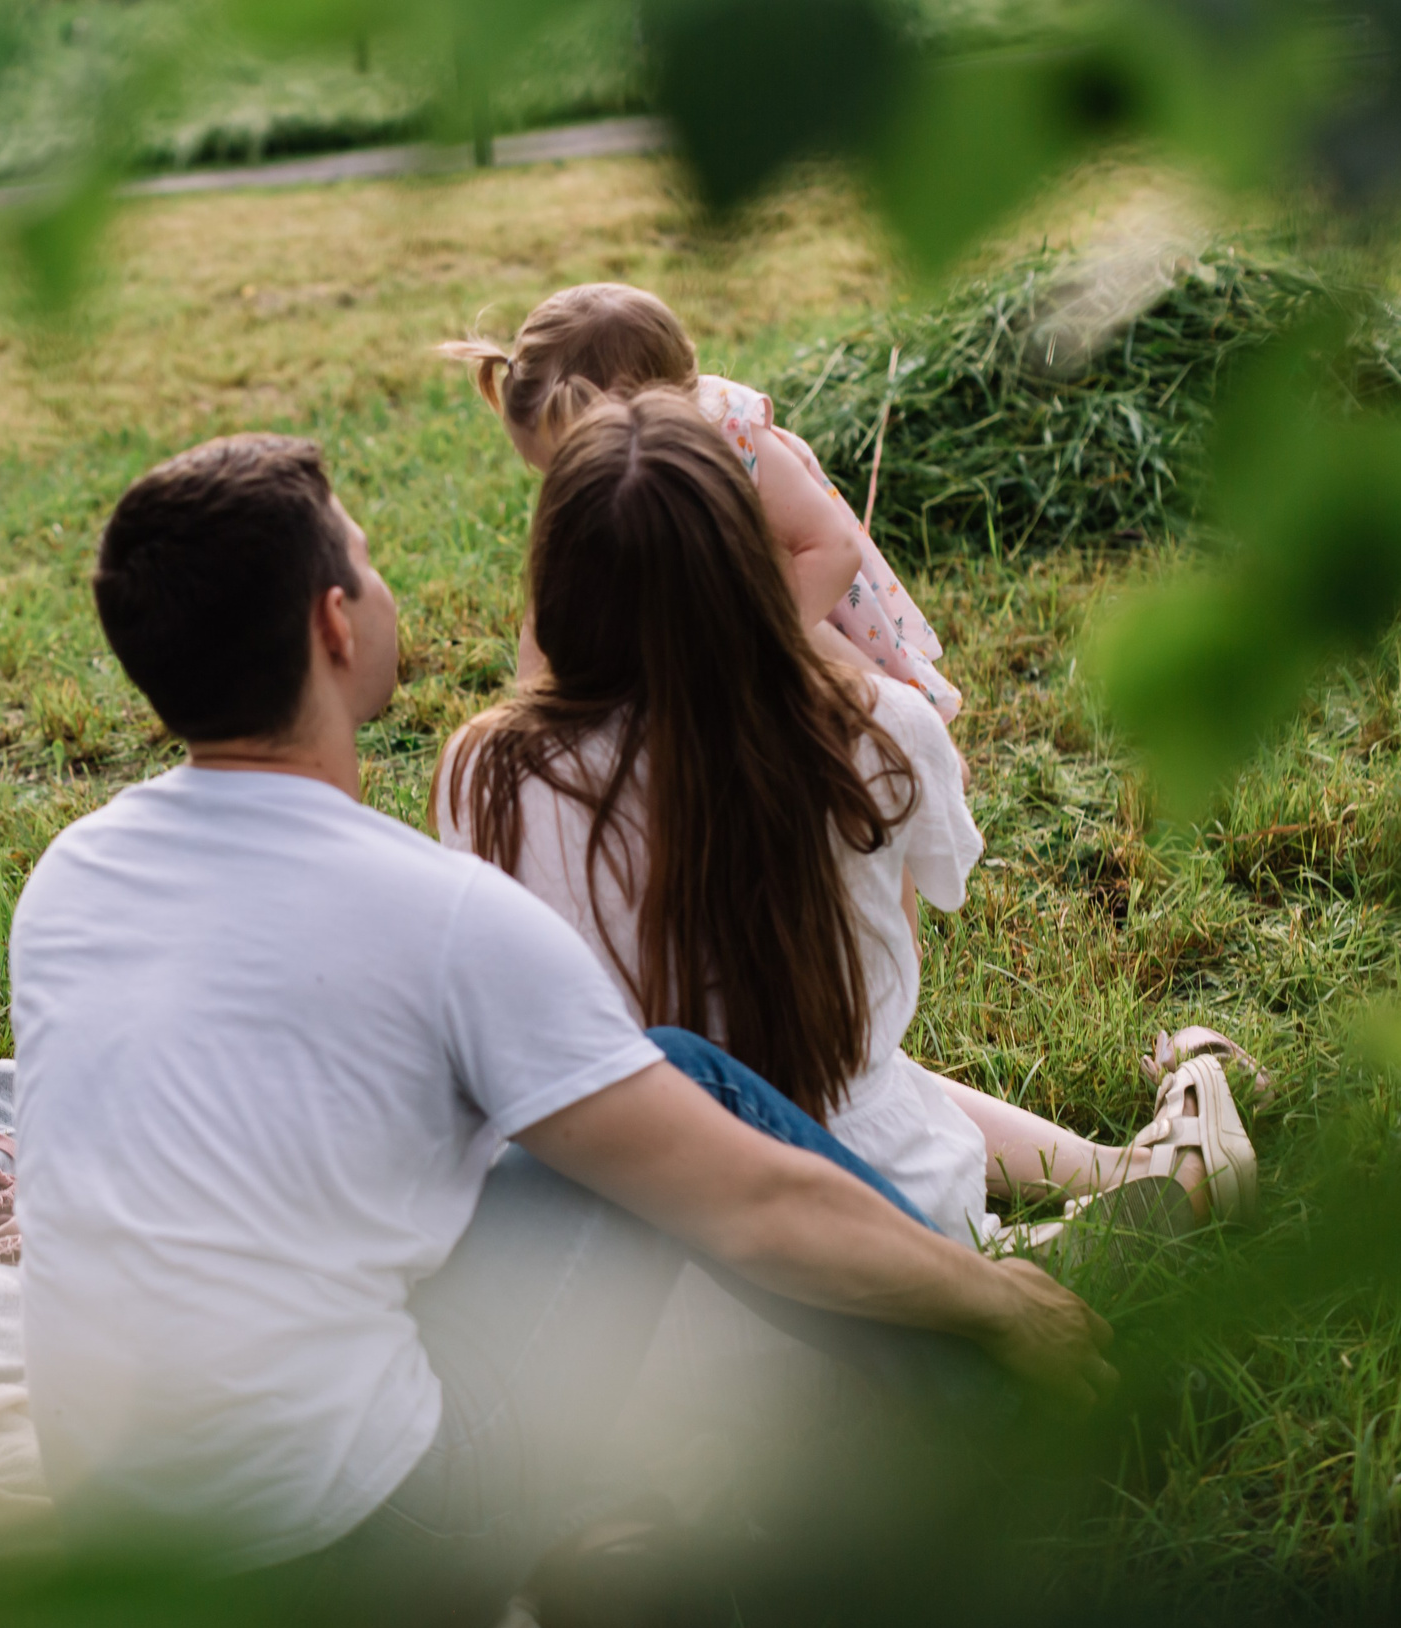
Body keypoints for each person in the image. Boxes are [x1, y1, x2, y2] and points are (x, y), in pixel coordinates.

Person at [9, 432, 1114, 1628]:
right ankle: (1018, 1419)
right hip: (370, 1566)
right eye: (369, 570)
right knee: (682, 1081)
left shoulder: (70, 877)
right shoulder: (435, 918)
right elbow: (744, 1197)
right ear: (333, 626)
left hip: (122, 1550)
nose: (389, 593)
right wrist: (995, 1301)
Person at [433, 391, 1259, 1249]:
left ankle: (1115, 1186)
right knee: (852, 1062)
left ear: (554, 577)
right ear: (750, 558)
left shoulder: (482, 768)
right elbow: (885, 994)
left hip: (619, 1216)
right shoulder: (882, 724)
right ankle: (1101, 1224)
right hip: (882, 1193)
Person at [440, 282, 961, 722]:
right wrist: (535, 714)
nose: (573, 487)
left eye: (574, 465)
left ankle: (928, 758)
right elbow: (548, 607)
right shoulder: (601, 483)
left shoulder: (733, 438)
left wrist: (757, 647)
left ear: (640, 420)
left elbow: (832, 550)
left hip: (791, 607)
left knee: (864, 711)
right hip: (699, 619)